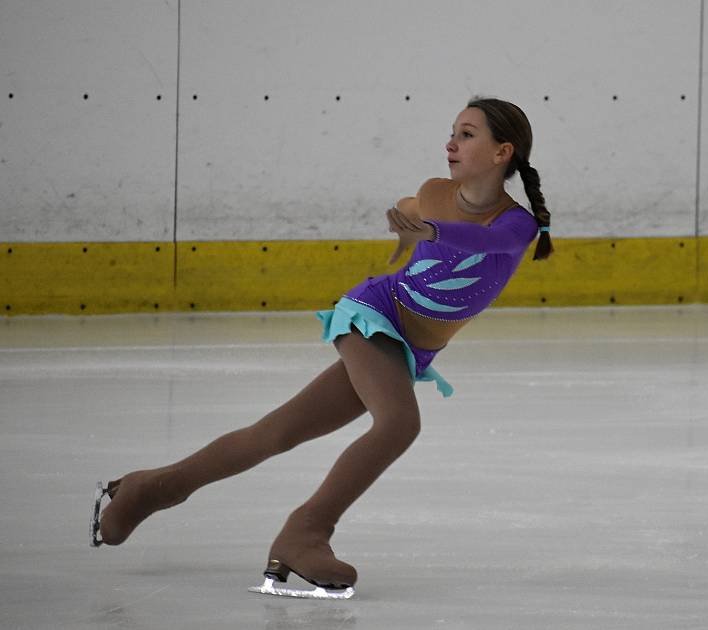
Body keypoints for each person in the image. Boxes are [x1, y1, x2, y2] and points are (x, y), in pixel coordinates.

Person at [91, 96, 553, 596]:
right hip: (375, 314)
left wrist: (425, 229)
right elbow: (415, 205)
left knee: (275, 432)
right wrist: (406, 221)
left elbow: (482, 241)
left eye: (467, 134)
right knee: (399, 423)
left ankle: (152, 487)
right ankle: (306, 532)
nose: (450, 143)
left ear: (502, 151)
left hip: (409, 349)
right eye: (452, 132)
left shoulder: (518, 223)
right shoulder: (436, 191)